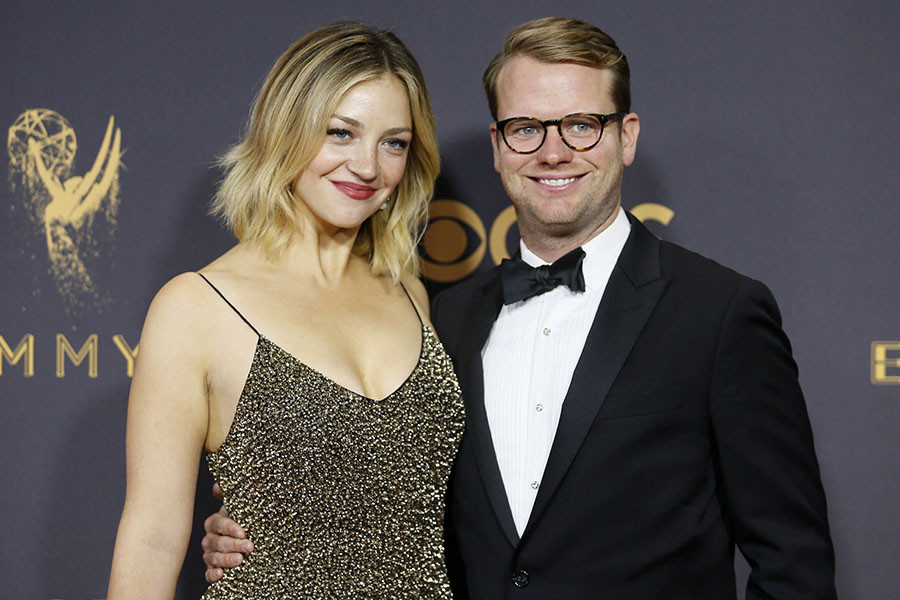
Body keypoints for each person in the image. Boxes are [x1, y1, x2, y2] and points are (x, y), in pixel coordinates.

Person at [202, 17, 837, 599]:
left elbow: (793, 562)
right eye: (526, 128)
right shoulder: (441, 319)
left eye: (581, 125)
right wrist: (273, 531)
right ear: (499, 145)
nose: (552, 152)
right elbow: (392, 496)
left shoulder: (719, 312)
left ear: (626, 137)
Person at [107, 21, 463, 600]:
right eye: (340, 133)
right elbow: (150, 541)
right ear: (286, 131)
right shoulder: (196, 308)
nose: (367, 166)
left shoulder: (409, 291)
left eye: (393, 143)